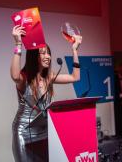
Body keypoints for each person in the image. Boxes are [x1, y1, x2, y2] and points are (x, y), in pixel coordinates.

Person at [10, 25, 82, 162]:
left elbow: (75, 77)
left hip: (43, 131)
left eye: (48, 53)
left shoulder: (49, 78)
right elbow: (14, 75)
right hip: (24, 132)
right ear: (34, 56)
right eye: (43, 53)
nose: (48, 56)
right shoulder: (24, 78)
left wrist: (74, 50)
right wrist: (18, 43)